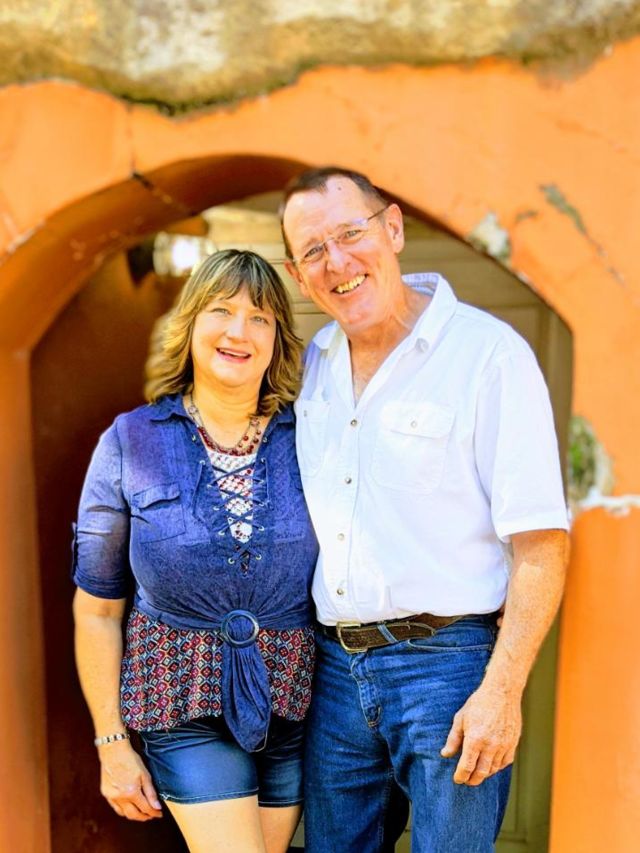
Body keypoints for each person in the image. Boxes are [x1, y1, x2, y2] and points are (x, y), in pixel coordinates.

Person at [280, 166, 570, 853]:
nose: (337, 262)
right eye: (313, 250)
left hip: (449, 668)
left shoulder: (487, 354)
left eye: (350, 234)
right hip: (334, 670)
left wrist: (502, 690)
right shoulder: (313, 365)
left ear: (394, 228)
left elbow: (541, 543)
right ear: (297, 275)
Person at [72, 249, 318, 853]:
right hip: (179, 700)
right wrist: (112, 744)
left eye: (260, 318)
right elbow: (97, 608)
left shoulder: (315, 434)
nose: (239, 331)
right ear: (189, 325)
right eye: (221, 311)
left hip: (295, 704)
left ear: (278, 340)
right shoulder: (130, 441)